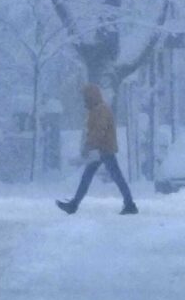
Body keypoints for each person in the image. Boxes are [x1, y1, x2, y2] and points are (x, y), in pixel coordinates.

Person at [58, 80, 137, 215]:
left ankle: (129, 204)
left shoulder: (100, 110)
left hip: (104, 149)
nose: (84, 100)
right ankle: (74, 204)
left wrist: (89, 145)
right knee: (99, 176)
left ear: (91, 96)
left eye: (85, 97)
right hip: (102, 149)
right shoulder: (97, 109)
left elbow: (98, 130)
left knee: (111, 177)